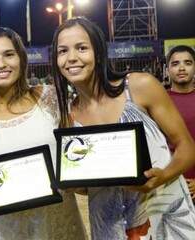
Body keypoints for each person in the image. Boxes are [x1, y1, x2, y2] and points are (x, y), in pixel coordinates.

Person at [51, 17, 195, 239]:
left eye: (81, 48)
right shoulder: (68, 117)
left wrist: (163, 175)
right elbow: (90, 185)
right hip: (110, 226)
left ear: (98, 52)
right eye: (62, 51)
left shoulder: (139, 86)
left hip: (163, 217)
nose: (71, 58)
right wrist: (72, 184)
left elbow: (187, 146)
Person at [0, 27, 86, 240]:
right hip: (6, 231)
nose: (1, 64)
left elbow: (74, 156)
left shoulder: (51, 99)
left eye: (9, 54)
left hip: (59, 227)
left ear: (21, 58)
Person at [167, 45, 195, 202]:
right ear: (168, 69)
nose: (182, 68)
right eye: (175, 63)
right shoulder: (158, 102)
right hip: (168, 186)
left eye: (188, 63)